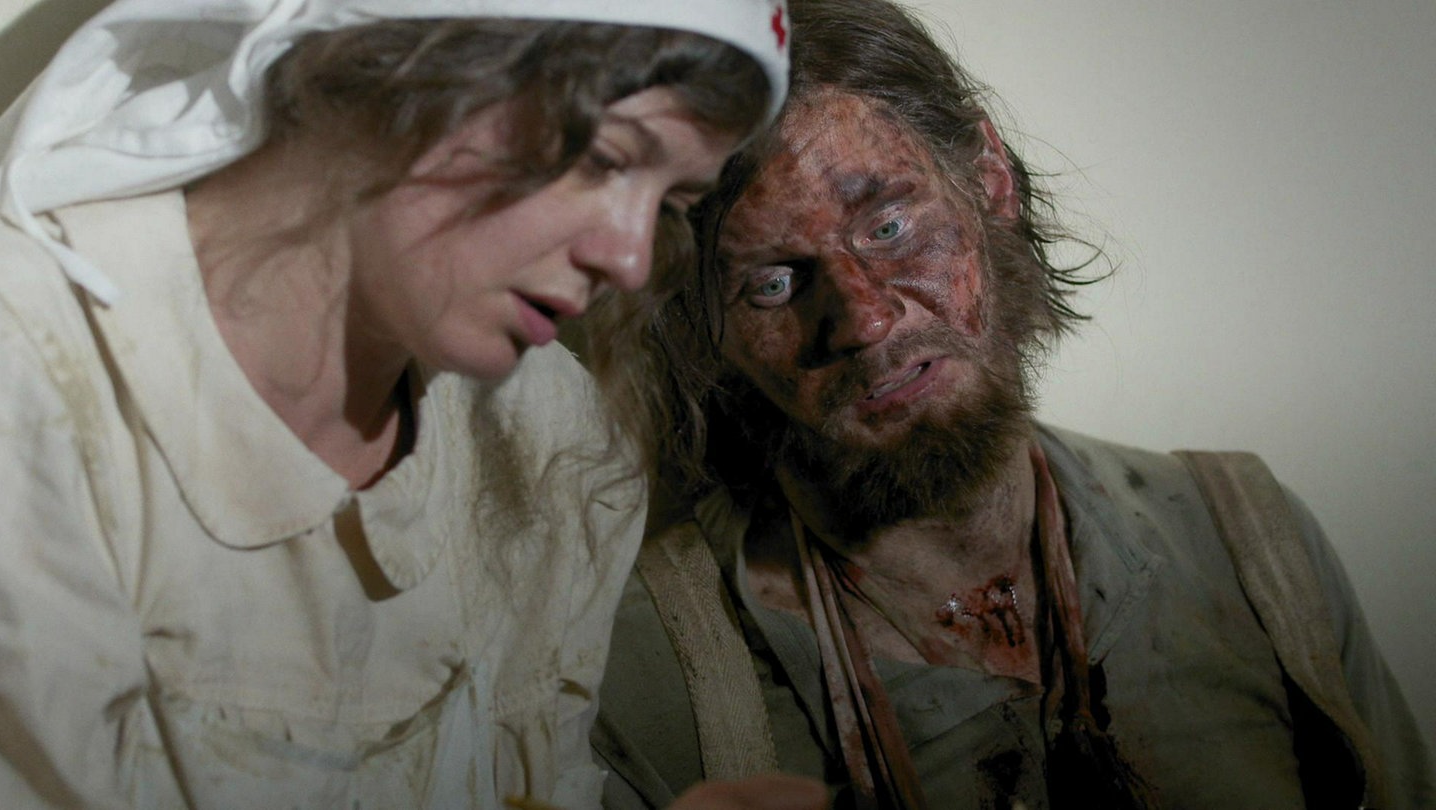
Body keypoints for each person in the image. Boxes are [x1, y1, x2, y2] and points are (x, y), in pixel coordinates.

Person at [591, 0, 1435, 808]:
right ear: (704, 328)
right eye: (772, 283)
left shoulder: (1250, 546)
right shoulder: (637, 672)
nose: (865, 319)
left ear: (989, 181)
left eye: (888, 227)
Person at [0, 1, 832, 808]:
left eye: (673, 205)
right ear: (400, 67)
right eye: (605, 159)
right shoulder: (28, 389)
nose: (630, 257)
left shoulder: (556, 441)